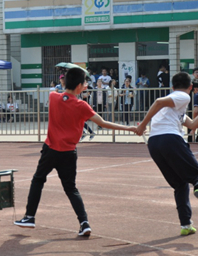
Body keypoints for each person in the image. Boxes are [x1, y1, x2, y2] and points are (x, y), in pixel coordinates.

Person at [14, 67, 137, 236]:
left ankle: (29, 216)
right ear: (80, 86)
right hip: (68, 153)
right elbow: (103, 123)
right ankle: (84, 222)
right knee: (71, 189)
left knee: (38, 180)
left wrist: (75, 84)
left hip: (50, 150)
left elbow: (63, 92)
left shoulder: (53, 97)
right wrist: (130, 129)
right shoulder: (82, 106)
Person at [135, 72, 198, 236]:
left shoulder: (174, 109)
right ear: (190, 87)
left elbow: (194, 125)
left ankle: (186, 224)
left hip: (154, 145)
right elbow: (158, 101)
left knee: (180, 184)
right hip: (171, 140)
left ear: (172, 86)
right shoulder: (183, 96)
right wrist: (142, 126)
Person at [187, 67, 198, 143]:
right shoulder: (190, 83)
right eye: (196, 72)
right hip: (191, 105)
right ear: (193, 74)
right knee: (190, 121)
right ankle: (190, 138)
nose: (197, 74)